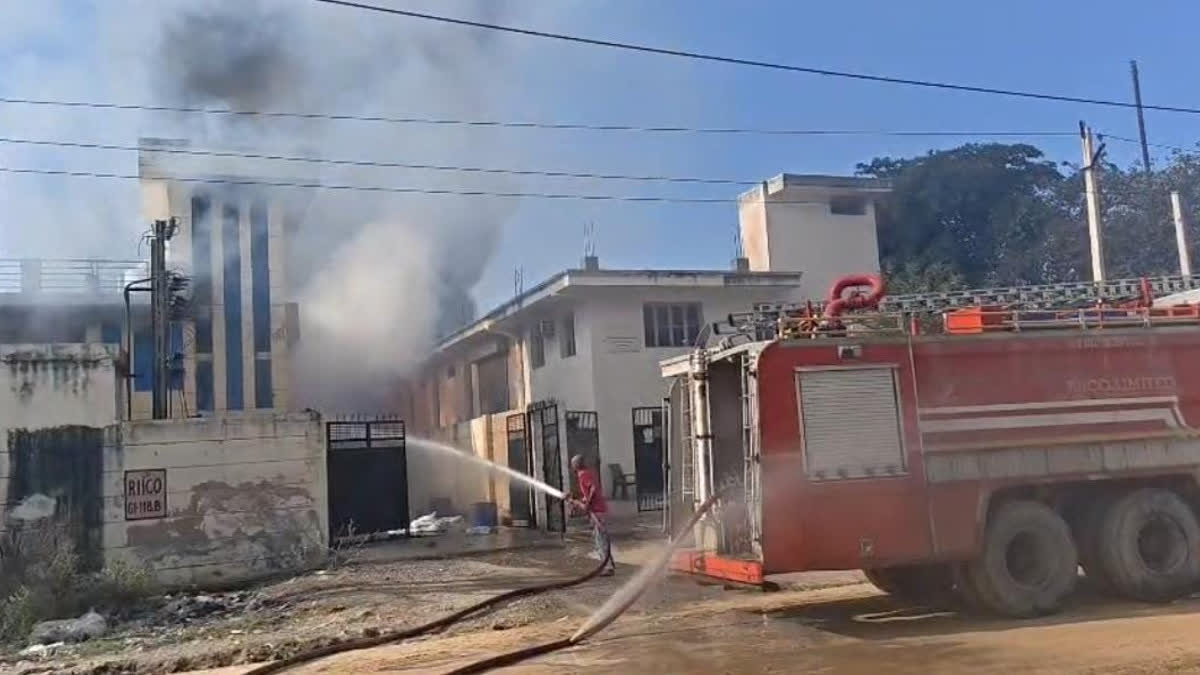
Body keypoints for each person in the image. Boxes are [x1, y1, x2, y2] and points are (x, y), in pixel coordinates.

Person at [568, 454, 614, 576]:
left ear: (576, 465)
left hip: (597, 512)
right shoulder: (588, 473)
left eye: (573, 464)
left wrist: (587, 503)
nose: (572, 466)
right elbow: (589, 492)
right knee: (602, 538)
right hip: (599, 510)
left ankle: (608, 567)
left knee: (600, 540)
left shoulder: (583, 474)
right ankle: (609, 563)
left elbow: (593, 489)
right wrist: (581, 501)